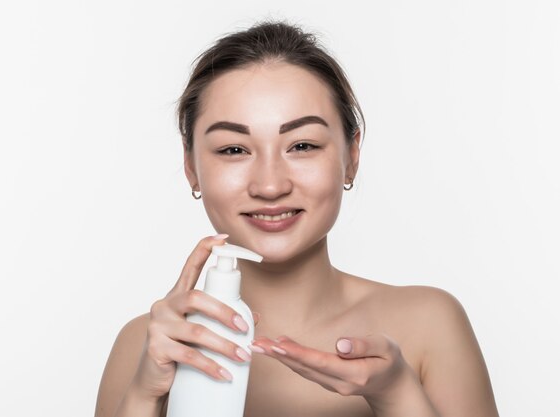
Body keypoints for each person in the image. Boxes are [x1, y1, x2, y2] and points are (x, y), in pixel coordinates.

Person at [94, 19, 499, 417]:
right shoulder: (145, 345)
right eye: (234, 150)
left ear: (350, 157)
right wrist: (145, 398)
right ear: (191, 167)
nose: (270, 186)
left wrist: (396, 394)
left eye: (302, 145)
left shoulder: (428, 324)